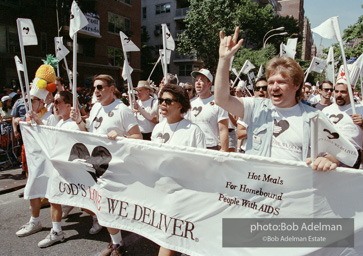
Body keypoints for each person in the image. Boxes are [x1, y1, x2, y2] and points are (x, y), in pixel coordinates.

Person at [214, 27, 338, 171]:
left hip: (293, 191)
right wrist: (224, 59)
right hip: (256, 187)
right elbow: (221, 99)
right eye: (271, 82)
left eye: (281, 82)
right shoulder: (256, 107)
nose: (274, 87)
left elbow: (337, 153)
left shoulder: (314, 117)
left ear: (296, 85)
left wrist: (327, 159)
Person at [71, 74, 142, 256]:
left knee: (108, 207)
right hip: (96, 166)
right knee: (102, 207)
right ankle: (117, 243)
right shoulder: (95, 108)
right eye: (95, 87)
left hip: (115, 169)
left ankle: (119, 244)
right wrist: (79, 121)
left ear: (111, 89)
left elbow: (138, 137)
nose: (96, 91)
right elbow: (87, 132)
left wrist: (121, 138)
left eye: (100, 87)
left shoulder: (122, 110)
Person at [151, 84, 205, 256]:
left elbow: (201, 166)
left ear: (180, 104)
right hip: (161, 191)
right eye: (160, 100)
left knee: (169, 238)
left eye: (168, 101)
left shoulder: (193, 131)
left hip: (182, 193)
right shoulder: (158, 128)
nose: (162, 104)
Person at [16, 85, 58, 239]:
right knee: (33, 189)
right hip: (35, 160)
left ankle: (56, 228)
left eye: (31, 100)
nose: (28, 103)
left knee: (53, 193)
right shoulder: (28, 116)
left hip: (48, 162)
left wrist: (38, 122)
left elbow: (52, 138)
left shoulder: (50, 117)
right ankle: (35, 221)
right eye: (26, 100)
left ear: (41, 102)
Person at [322, 78, 363, 169]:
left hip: (351, 154)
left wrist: (362, 124)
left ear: (352, 93)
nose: (339, 95)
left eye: (343, 92)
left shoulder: (360, 109)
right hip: (329, 153)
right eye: (336, 91)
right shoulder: (326, 110)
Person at [185, 68, 229, 151]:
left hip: (210, 147)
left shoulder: (218, 103)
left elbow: (223, 129)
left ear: (209, 84)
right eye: (196, 80)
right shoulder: (190, 103)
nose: (198, 83)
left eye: (201, 80)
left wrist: (224, 151)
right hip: (192, 146)